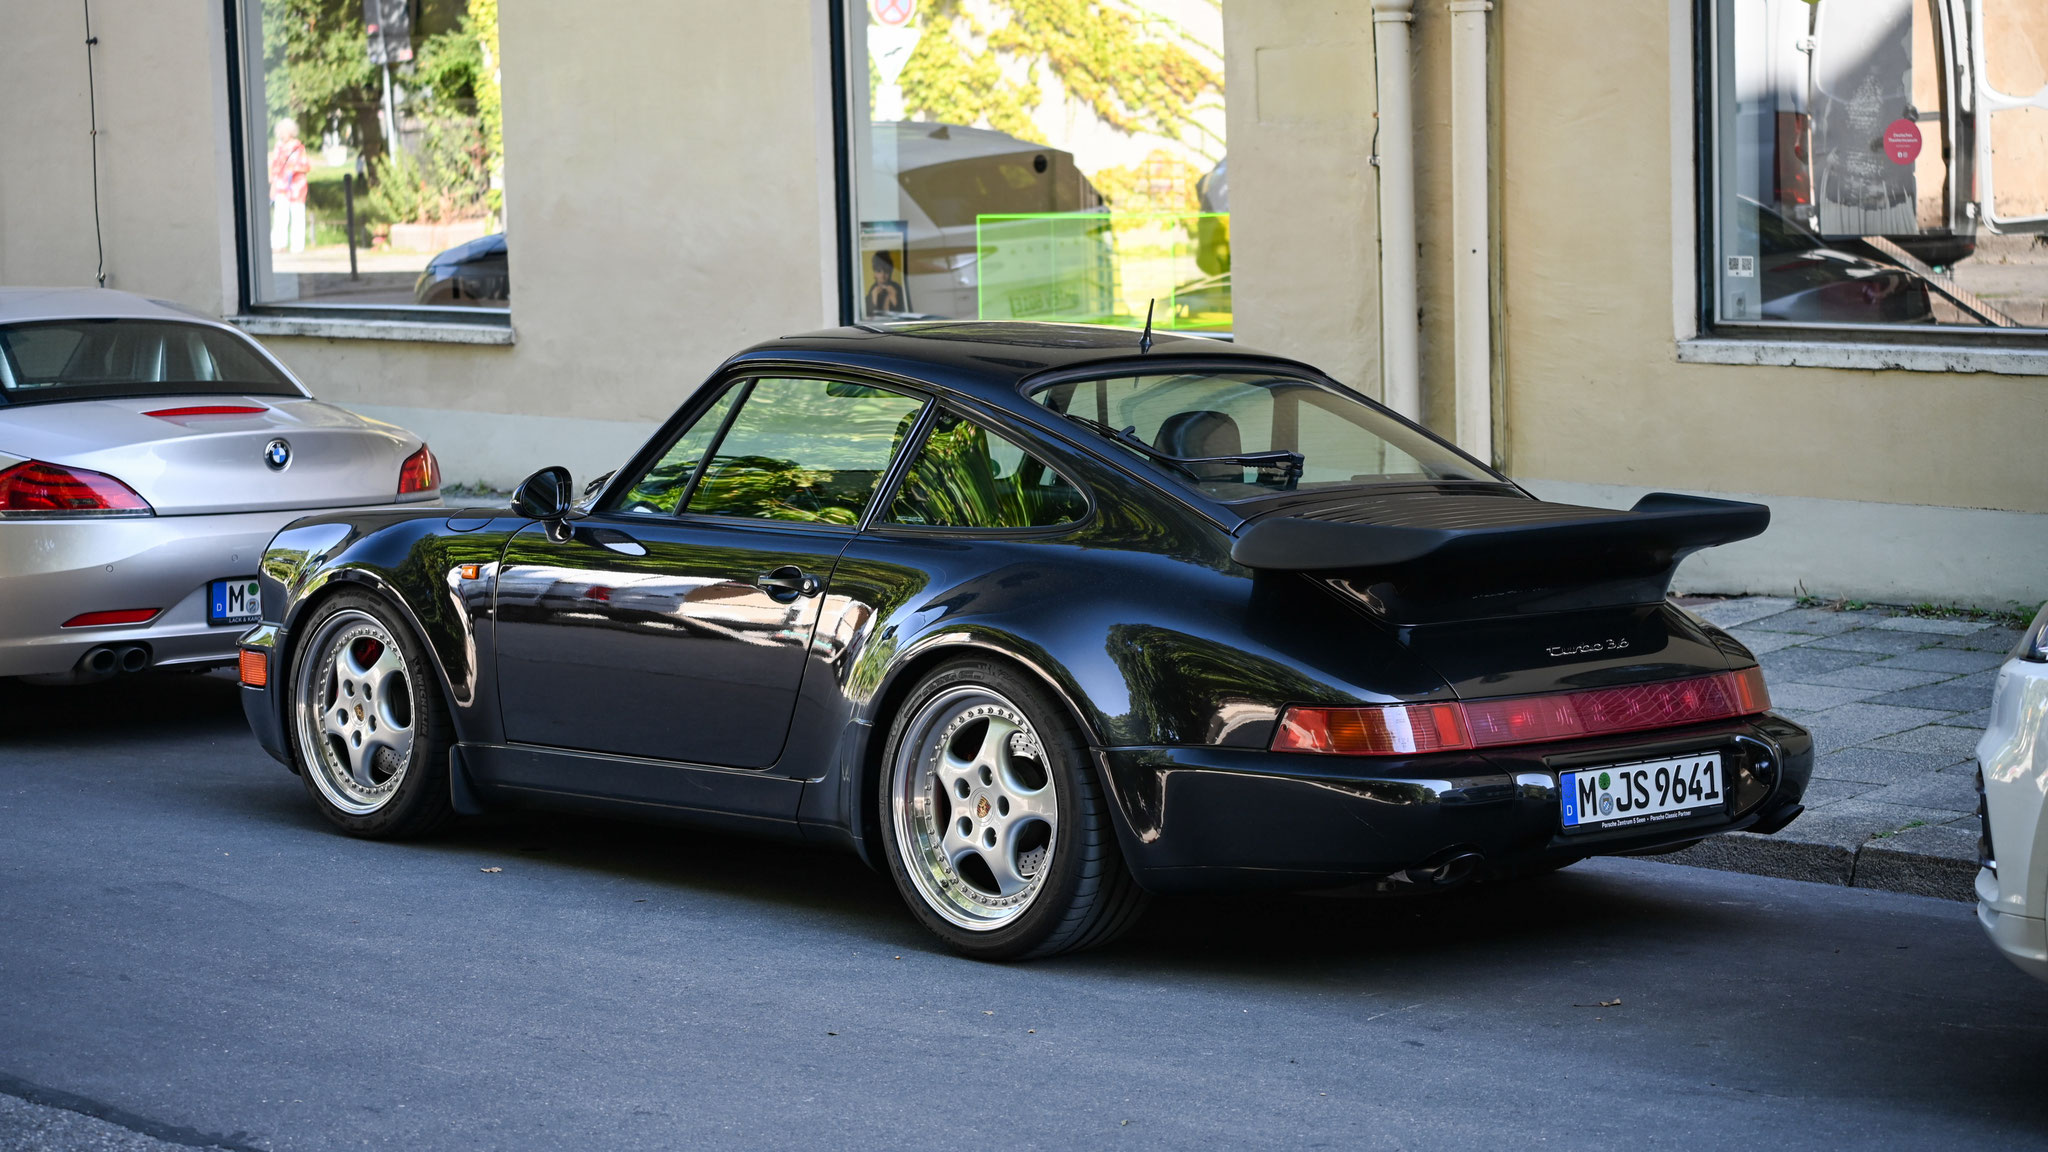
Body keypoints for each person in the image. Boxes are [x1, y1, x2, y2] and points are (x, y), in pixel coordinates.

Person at [268, 118, 310, 254]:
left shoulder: (298, 147)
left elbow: (305, 166)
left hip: (296, 186)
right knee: (280, 215)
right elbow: (274, 166)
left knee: (297, 214)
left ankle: (297, 246)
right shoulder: (278, 147)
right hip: (281, 185)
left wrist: (293, 168)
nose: (282, 134)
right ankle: (278, 244)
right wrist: (273, 182)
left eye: (284, 131)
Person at [865, 249, 905, 316]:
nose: (882, 276)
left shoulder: (898, 288)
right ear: (874, 273)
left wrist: (894, 300)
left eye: (886, 271)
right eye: (878, 271)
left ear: (891, 272)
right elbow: (867, 316)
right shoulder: (872, 291)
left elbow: (904, 314)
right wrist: (874, 298)